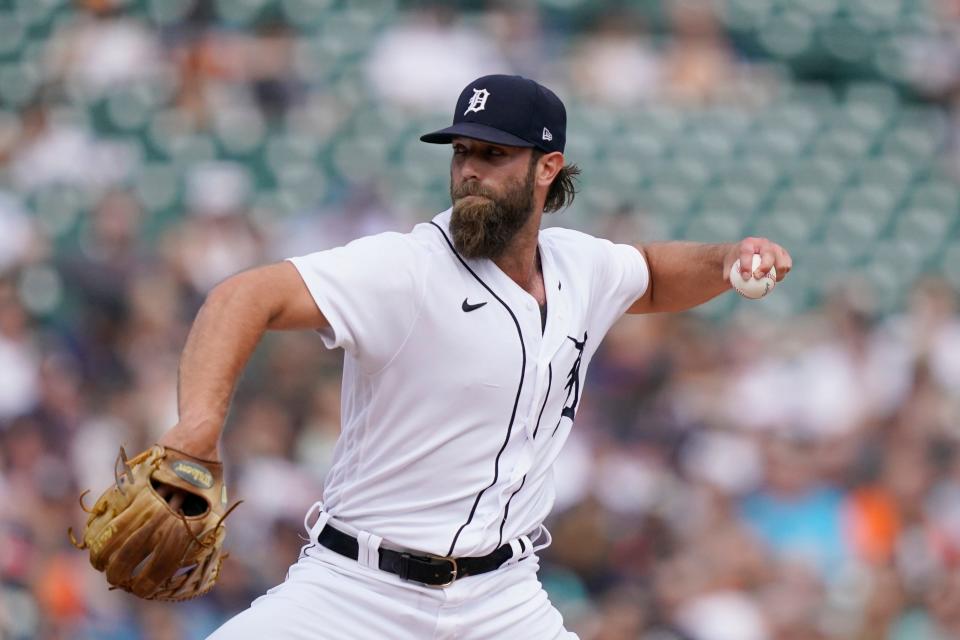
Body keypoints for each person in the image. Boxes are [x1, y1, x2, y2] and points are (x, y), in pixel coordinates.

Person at [158, 74, 792, 639]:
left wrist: (727, 258)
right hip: (355, 593)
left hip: (502, 599)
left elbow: (651, 275)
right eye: (462, 152)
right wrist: (199, 426)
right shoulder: (406, 268)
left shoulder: (580, 266)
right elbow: (242, 297)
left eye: (494, 154)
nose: (469, 170)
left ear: (548, 168)